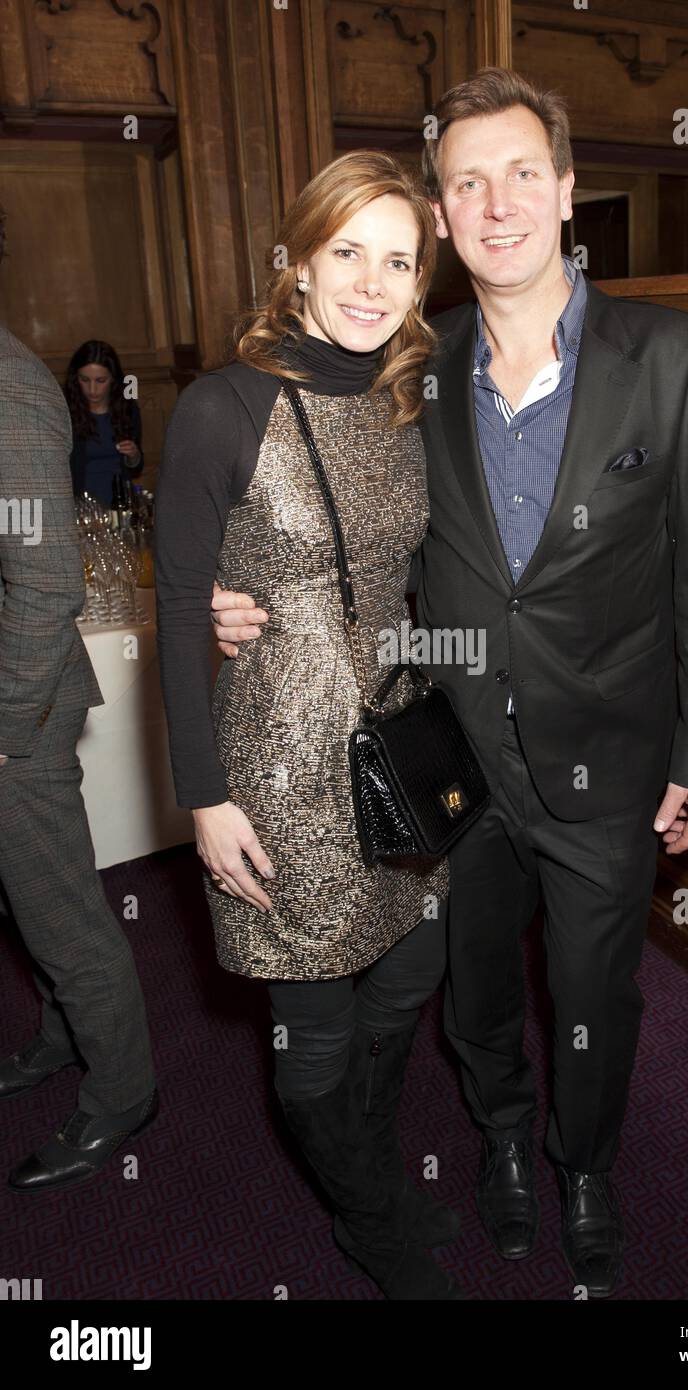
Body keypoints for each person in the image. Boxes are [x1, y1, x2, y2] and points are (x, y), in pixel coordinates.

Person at [212, 69, 688, 1300]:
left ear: (567, 191)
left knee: (591, 988)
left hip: (610, 760)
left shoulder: (673, 357)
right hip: (454, 754)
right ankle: (504, 1137)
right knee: (475, 986)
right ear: (444, 220)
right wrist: (228, 592)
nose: (497, 202)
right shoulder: (409, 363)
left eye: (523, 173)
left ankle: (585, 1163)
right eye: (467, 182)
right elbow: (311, 511)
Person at [154, 151, 461, 1301]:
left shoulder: (403, 394)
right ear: (298, 259)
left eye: (398, 258)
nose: (373, 283)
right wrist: (204, 794)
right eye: (348, 252)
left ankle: (366, 1174)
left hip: (397, 739)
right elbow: (182, 605)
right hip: (279, 761)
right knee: (313, 1018)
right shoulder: (223, 405)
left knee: (411, 965)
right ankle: (371, 1221)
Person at [0, 207, 157, 1192]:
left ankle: (124, 1088)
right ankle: (62, 1035)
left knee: (60, 909)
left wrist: (6, 735)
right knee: (33, 894)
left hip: (20, 704)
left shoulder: (9, 390)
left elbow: (48, 586)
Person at [65, 340, 143, 504]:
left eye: (101, 381)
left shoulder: (127, 408)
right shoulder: (65, 412)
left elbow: (135, 469)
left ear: (113, 379)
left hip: (121, 500)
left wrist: (133, 456)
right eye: (84, 380)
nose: (92, 389)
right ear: (75, 378)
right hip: (80, 503)